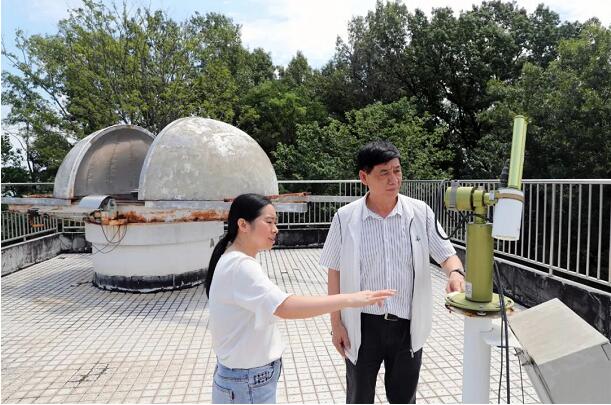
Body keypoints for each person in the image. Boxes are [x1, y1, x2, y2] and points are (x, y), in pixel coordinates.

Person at [206, 193, 395, 404]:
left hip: (242, 379)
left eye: (275, 222)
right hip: (246, 382)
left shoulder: (232, 259)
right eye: (268, 222)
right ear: (243, 224)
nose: (275, 229)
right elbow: (285, 307)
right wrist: (350, 299)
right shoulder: (240, 266)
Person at [320, 140, 465, 404]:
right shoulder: (345, 217)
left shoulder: (420, 212)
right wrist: (336, 324)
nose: (393, 179)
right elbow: (335, 271)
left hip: (407, 325)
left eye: (397, 171)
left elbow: (446, 254)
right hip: (362, 325)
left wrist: (455, 273)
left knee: (403, 398)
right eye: (384, 173)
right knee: (359, 397)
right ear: (364, 177)